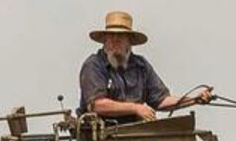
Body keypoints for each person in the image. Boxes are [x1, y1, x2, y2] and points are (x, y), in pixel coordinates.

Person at [77, 10, 212, 122]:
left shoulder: (141, 66)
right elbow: (98, 105)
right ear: (104, 40)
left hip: (138, 134)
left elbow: (161, 100)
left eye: (121, 36)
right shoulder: (94, 65)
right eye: (111, 36)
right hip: (102, 139)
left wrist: (194, 99)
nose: (115, 40)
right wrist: (136, 108)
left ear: (129, 41)